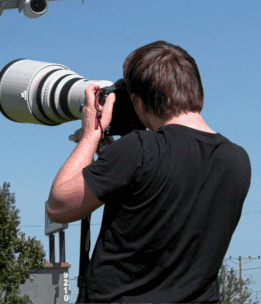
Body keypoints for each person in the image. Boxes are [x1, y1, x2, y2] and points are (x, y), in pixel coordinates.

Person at [46, 40, 251, 302]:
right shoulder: (236, 159)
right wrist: (113, 158)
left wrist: (90, 134)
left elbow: (59, 205)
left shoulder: (139, 149)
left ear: (139, 101)